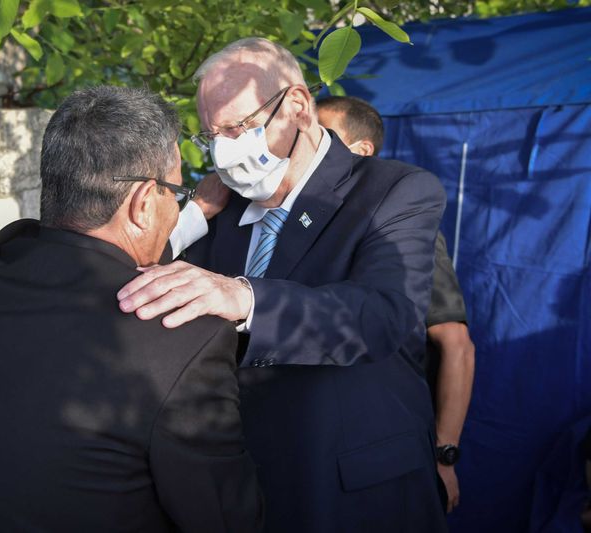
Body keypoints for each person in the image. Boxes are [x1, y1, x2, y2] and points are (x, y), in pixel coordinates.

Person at [117, 38, 447, 532]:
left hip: (354, 495)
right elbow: (133, 281)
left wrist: (243, 297)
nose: (225, 151)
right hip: (245, 492)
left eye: (240, 127)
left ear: (296, 106)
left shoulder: (394, 191)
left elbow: (383, 316)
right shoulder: (220, 211)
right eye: (212, 136)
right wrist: (192, 218)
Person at [0, 86, 263, 533]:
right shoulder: (182, 337)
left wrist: (194, 210)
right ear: (142, 203)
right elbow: (225, 517)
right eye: (174, 194)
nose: (176, 210)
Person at [317, 94, 476, 514]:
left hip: (384, 455)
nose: (309, 144)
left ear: (361, 150)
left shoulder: (398, 230)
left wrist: (445, 455)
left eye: (322, 134)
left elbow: (456, 344)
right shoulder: (307, 222)